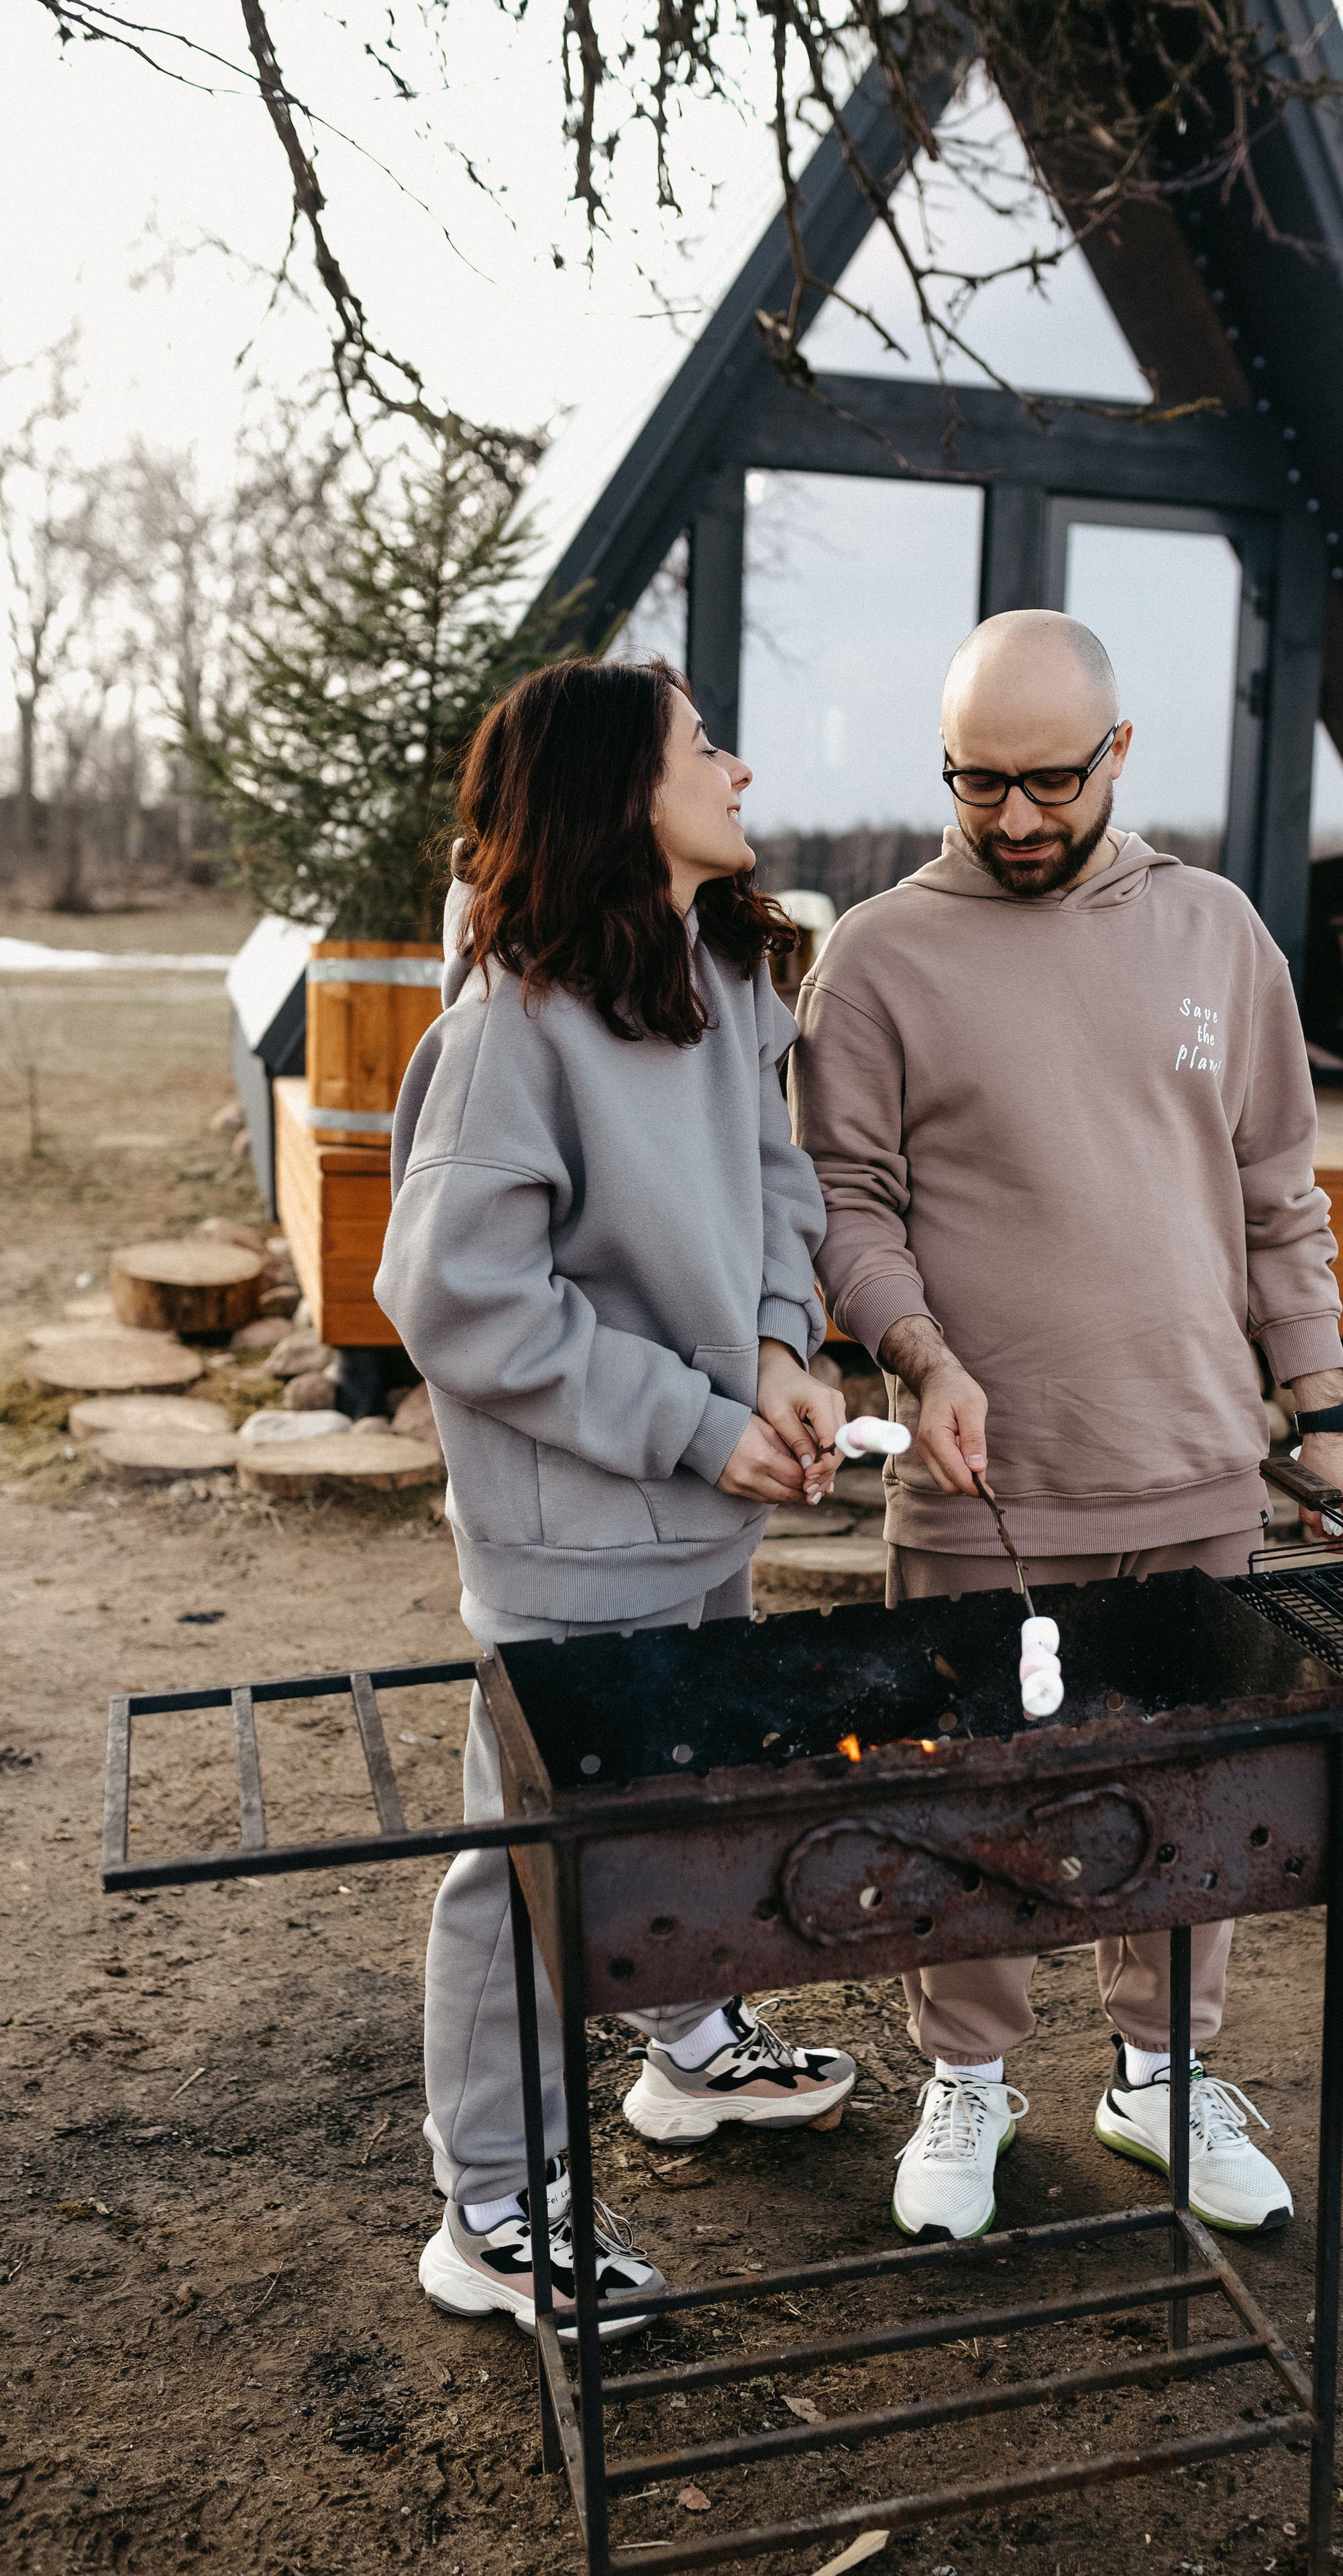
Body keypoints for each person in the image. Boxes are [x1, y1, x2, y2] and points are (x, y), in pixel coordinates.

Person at [789, 609, 1343, 2245]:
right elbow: (845, 1201)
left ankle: (1157, 2077)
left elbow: (1277, 1199)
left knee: (1186, 1798)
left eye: (1048, 781)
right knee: (974, 1795)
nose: (1016, 819)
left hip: (1194, 1466)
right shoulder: (882, 955)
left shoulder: (1218, 935)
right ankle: (966, 2079)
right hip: (988, 1488)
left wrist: (1319, 1405)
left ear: (1117, 755)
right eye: (978, 784)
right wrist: (915, 1350)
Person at [376, 656, 857, 2342]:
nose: (733, 764)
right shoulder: (509, 1023)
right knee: (529, 1871)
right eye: (700, 743)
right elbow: (457, 1299)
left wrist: (787, 1352)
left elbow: (774, 1191)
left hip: (702, 1502)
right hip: (576, 1533)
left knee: (686, 1801)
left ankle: (691, 2053)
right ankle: (493, 2211)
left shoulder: (718, 971)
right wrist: (688, 1421)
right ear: (616, 791)